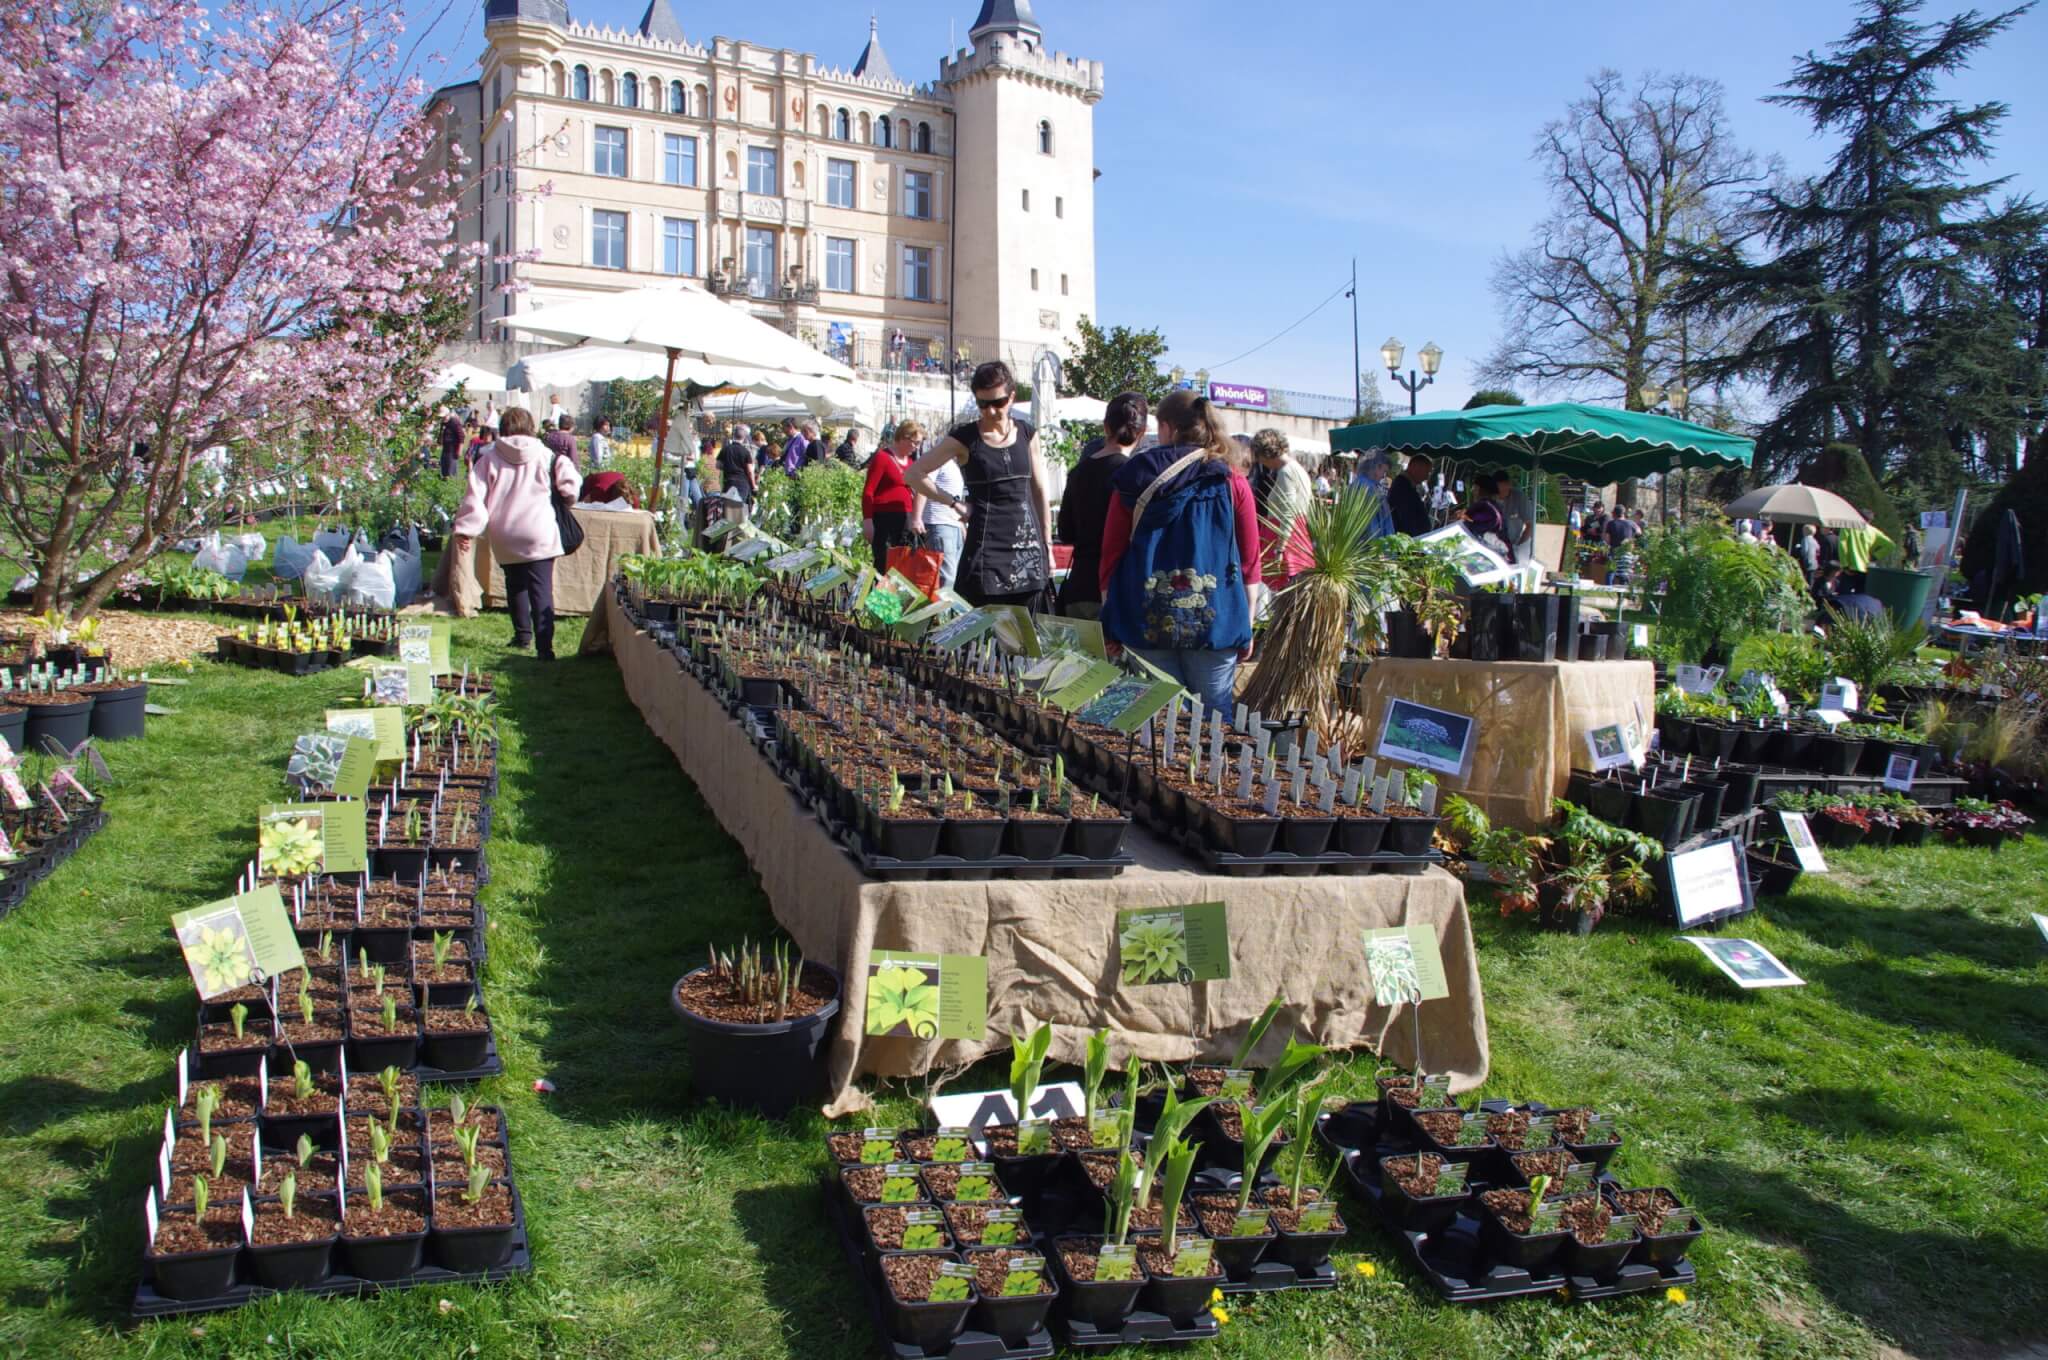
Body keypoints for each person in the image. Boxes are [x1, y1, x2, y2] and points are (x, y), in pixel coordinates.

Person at [1096, 389, 1262, 713]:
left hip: (1145, 618)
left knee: (1157, 722)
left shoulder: (1135, 477)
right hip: (1216, 619)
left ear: (1168, 427)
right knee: (1215, 719)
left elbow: (1111, 556)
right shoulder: (1232, 481)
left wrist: (1111, 616)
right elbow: (1249, 562)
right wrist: (1247, 622)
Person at [906, 361, 1052, 607]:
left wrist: (1047, 542)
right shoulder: (964, 438)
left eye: (998, 402)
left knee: (1027, 636)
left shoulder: (1028, 434)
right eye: (983, 404)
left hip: (1029, 549)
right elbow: (913, 474)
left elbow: (1039, 491)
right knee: (983, 636)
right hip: (986, 549)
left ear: (1012, 397)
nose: (991, 411)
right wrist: (954, 503)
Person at [453, 407, 580, 660]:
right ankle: (545, 649)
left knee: (516, 585)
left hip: (506, 532)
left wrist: (466, 530)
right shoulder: (547, 455)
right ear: (531, 426)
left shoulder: (488, 458)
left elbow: (475, 497)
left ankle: (522, 636)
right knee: (541, 589)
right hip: (540, 530)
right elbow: (571, 485)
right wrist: (566, 498)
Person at [1054, 393, 1147, 618]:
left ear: (1106, 427)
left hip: (1080, 584)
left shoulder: (1078, 472)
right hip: (1119, 587)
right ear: (1142, 433)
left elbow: (1065, 532)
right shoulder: (1136, 475)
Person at [1251, 429, 1313, 586]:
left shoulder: (1286, 473)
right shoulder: (1297, 468)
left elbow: (1288, 513)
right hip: (1297, 536)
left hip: (1287, 541)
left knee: (1285, 594)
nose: (1259, 461)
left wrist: (1280, 549)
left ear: (1265, 454)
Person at [911, 422, 967, 591]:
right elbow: (923, 486)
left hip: (952, 525)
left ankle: (944, 616)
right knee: (945, 579)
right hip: (939, 524)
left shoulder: (954, 464)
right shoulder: (939, 460)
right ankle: (940, 616)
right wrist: (916, 518)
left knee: (953, 576)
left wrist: (961, 525)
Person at [862, 422, 919, 571]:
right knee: (884, 564)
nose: (916, 447)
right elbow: (869, 491)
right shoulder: (882, 457)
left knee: (903, 566)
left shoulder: (911, 462)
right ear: (904, 438)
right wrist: (867, 520)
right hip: (884, 520)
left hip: (905, 518)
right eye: (915, 443)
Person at [1387, 454, 1433, 537]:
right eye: (1427, 472)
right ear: (1415, 467)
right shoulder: (1402, 487)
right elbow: (1406, 519)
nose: (1427, 477)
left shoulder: (1408, 486)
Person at [1497, 471, 1534, 564]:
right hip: (1495, 545)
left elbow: (1530, 525)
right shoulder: (1490, 498)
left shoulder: (1520, 498)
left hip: (1515, 543)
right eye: (1497, 491)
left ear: (1508, 485)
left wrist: (1518, 546)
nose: (1500, 495)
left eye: (1503, 491)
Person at [717, 423, 756, 505]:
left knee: (727, 507)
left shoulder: (725, 449)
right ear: (744, 437)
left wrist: (728, 466)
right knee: (739, 508)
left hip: (729, 481)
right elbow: (749, 471)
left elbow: (718, 465)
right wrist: (753, 486)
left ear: (734, 435)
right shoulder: (746, 452)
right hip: (742, 483)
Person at [438, 406, 466, 479]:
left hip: (453, 450)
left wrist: (460, 450)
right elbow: (441, 433)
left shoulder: (454, 422)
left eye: (444, 416)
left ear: (448, 414)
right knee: (443, 468)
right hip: (445, 448)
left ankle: (451, 481)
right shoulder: (443, 423)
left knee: (451, 470)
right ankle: (444, 481)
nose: (443, 418)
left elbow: (461, 437)